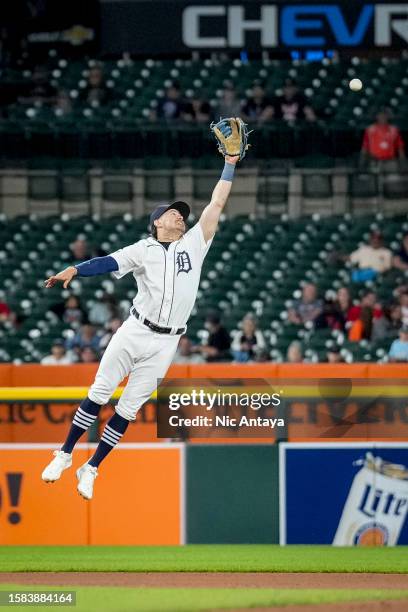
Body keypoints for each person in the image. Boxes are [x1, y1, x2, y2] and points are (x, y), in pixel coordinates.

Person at [41, 142, 242, 499]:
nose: (180, 216)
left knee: (128, 409)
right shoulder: (142, 248)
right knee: (99, 393)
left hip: (167, 342)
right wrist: (74, 268)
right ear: (157, 222)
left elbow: (217, 205)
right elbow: (106, 262)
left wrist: (229, 164)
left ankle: (92, 468)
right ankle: (65, 453)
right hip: (135, 330)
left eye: (181, 213)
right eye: (173, 213)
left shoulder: (195, 243)